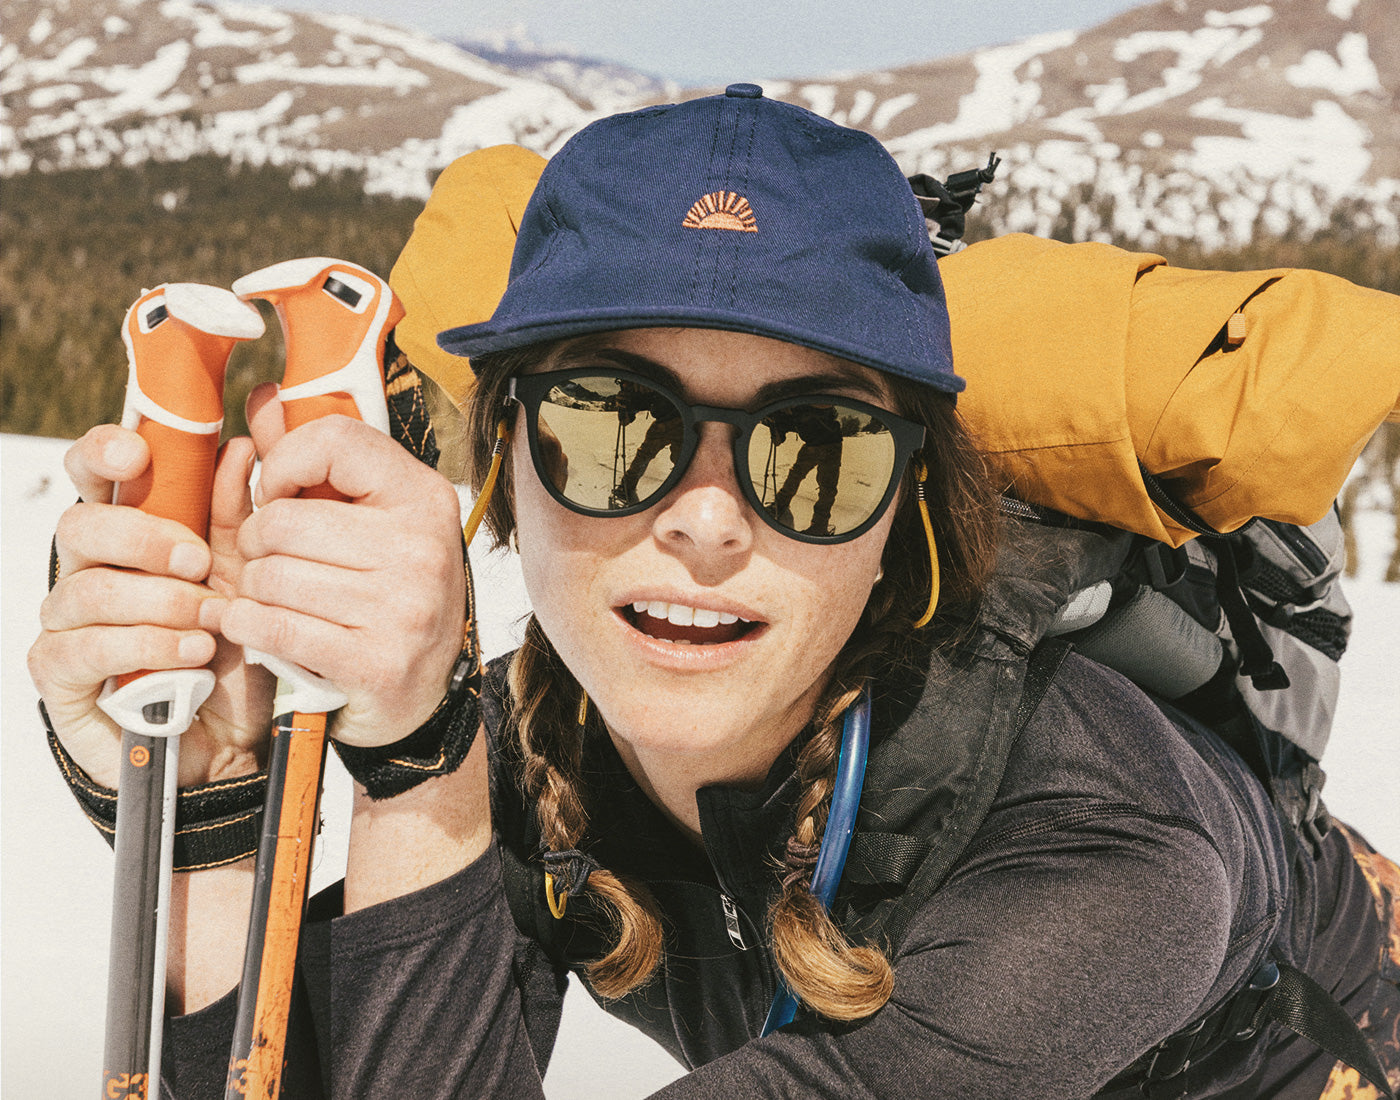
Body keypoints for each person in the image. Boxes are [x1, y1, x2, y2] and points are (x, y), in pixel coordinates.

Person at [29, 85, 1400, 1098]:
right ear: (503, 461)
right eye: (610, 425)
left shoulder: (1103, 853)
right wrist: (208, 816)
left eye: (814, 453)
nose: (701, 520)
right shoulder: (549, 758)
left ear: (907, 510)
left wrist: (418, 766)